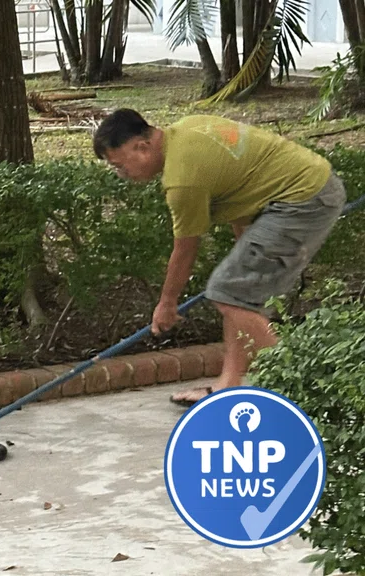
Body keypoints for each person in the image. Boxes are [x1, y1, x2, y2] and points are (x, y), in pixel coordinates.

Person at [91, 109, 346, 407]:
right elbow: (242, 183)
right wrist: (245, 253)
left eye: (120, 166)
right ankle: (228, 386)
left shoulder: (182, 180)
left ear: (142, 147)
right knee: (237, 295)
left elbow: (185, 248)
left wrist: (167, 304)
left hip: (303, 200)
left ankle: (299, 392)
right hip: (308, 187)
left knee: (227, 292)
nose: (122, 175)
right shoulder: (187, 128)